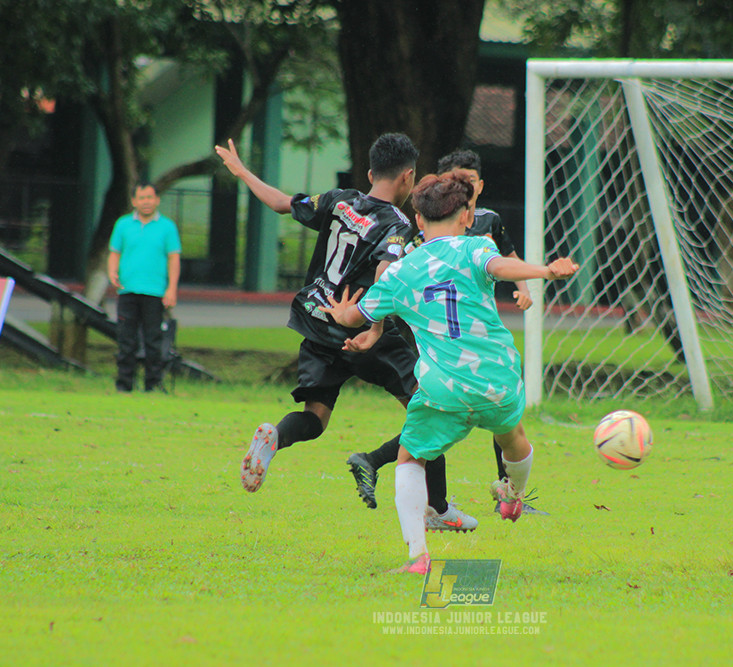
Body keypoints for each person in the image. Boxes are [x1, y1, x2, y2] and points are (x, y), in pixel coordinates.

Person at [213, 133, 477, 533]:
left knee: (315, 418)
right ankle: (437, 509)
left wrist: (243, 171)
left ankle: (274, 438)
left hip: (316, 320)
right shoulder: (398, 224)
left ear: (371, 173)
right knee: (431, 408)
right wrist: (374, 328)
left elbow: (282, 203)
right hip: (357, 324)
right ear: (408, 177)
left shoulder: (338, 200)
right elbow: (386, 272)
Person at [321, 171, 578, 573]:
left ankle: (418, 558)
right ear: (466, 216)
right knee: (513, 438)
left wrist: (343, 314)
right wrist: (545, 271)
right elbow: (500, 267)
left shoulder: (401, 270)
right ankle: (512, 494)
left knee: (410, 459)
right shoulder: (476, 248)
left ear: (418, 222)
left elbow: (355, 315)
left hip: (444, 388)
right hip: (498, 379)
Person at [346, 149, 545, 514]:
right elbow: (386, 274)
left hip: (457, 358)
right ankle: (455, 503)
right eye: (457, 180)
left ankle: (439, 507)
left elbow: (506, 261)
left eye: (469, 181)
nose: (464, 186)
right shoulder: (439, 237)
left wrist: (526, 285)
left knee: (431, 429)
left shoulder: (489, 223)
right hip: (460, 352)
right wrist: (376, 325)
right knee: (475, 424)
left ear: (478, 188)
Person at [107, 182, 181, 393]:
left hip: (155, 292)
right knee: (126, 340)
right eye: (142, 198)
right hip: (127, 290)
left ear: (157, 200)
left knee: (153, 340)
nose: (146, 202)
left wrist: (171, 289)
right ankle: (124, 385)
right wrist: (112, 272)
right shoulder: (123, 224)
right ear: (134, 201)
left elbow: (173, 258)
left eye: (150, 198)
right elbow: (115, 253)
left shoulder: (167, 227)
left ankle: (153, 385)